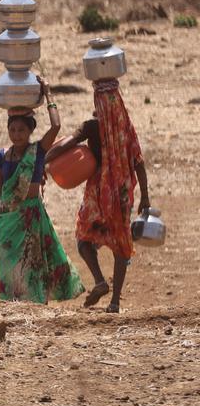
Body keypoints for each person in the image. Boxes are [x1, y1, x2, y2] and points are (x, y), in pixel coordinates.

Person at [47, 78, 151, 313]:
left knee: (84, 237)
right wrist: (145, 197)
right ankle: (115, 302)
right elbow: (139, 163)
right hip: (122, 193)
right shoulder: (127, 128)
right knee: (121, 244)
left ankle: (99, 280)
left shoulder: (92, 126)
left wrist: (44, 159)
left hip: (98, 192)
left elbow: (68, 144)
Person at [0, 78, 84, 304]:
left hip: (31, 216)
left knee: (33, 262)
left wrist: (48, 94)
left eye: (21, 129)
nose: (16, 134)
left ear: (30, 130)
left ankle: (35, 302)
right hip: (8, 217)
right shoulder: (2, 156)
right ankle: (12, 303)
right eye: (12, 129)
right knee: (11, 262)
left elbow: (55, 127)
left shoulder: (38, 150)